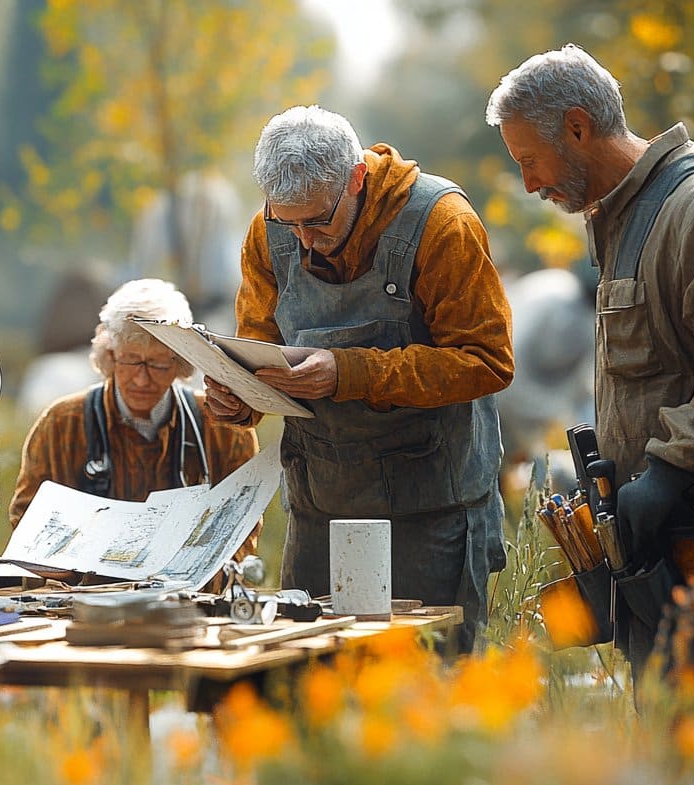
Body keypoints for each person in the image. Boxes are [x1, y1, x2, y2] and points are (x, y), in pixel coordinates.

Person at [485, 45, 694, 690]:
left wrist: (667, 470)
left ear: (577, 127)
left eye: (528, 160)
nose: (529, 184)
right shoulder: (623, 220)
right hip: (659, 556)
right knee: (671, 762)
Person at [206, 105, 513, 651]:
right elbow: (256, 343)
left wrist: (350, 372)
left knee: (430, 692)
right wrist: (237, 395)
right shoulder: (268, 233)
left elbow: (486, 360)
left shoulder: (440, 224)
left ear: (356, 179)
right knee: (309, 689)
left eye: (318, 221)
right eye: (287, 221)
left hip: (431, 513)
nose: (302, 240)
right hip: (320, 507)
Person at [10, 278, 261, 572]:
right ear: (110, 355)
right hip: (87, 605)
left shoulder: (223, 426)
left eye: (157, 364)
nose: (142, 380)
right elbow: (29, 525)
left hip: (189, 603)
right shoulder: (62, 424)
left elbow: (241, 529)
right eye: (131, 361)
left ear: (181, 363)